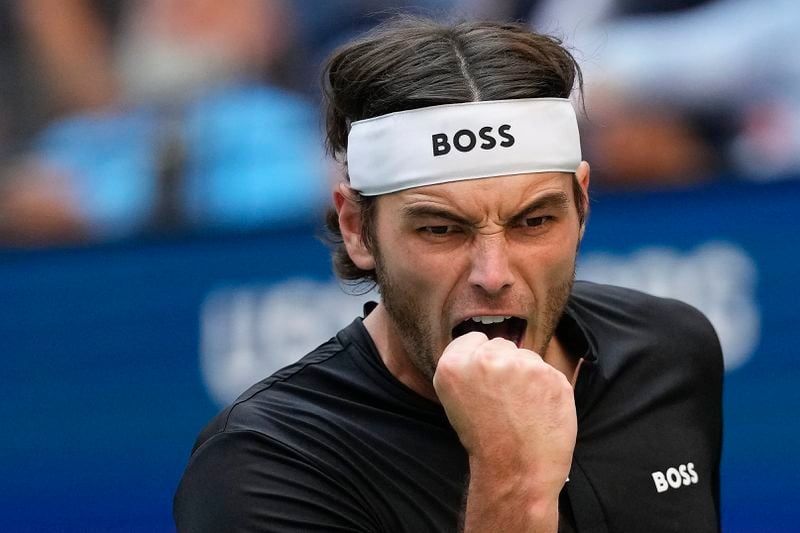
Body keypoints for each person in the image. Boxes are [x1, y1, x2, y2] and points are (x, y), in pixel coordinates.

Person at [174, 16, 723, 532]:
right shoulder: (265, 462)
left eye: (533, 221)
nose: (493, 273)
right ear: (357, 229)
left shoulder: (668, 349)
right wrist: (511, 477)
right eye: (441, 230)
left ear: (581, 205)